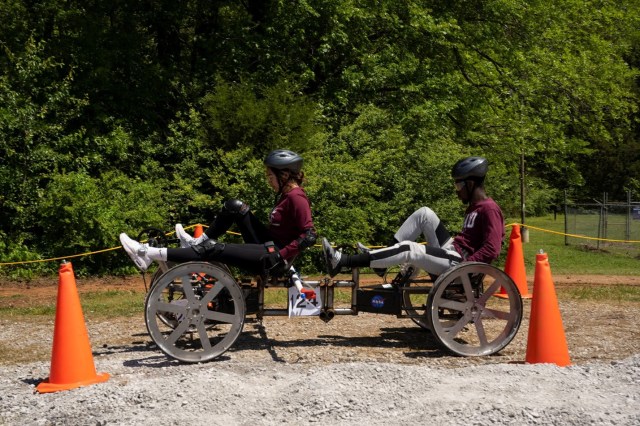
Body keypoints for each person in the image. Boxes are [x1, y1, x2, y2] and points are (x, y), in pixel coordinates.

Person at [120, 149, 317, 276]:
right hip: (267, 245)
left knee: (214, 248)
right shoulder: (285, 195)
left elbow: (309, 236)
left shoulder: (296, 198)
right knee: (235, 206)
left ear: (283, 175)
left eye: (270, 176)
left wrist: (282, 255)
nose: (268, 181)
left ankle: (147, 253)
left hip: (273, 258)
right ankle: (196, 242)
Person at [323, 156, 504, 278]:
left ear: (470, 184)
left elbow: (492, 249)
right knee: (424, 213)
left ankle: (343, 261)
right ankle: (381, 264)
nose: (457, 192)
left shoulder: (489, 209)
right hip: (453, 252)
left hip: (460, 262)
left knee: (411, 249)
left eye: (458, 186)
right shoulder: (475, 207)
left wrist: (465, 265)